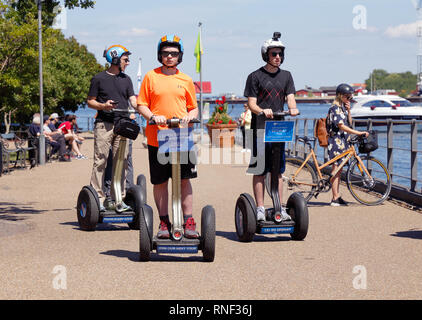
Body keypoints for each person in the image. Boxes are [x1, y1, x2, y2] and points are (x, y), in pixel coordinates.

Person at [136, 34, 199, 239]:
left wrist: (189, 117)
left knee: (184, 180)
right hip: (158, 137)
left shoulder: (186, 79)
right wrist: (153, 116)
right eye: (166, 53)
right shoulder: (150, 77)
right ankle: (164, 222)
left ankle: (188, 219)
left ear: (179, 56)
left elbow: (193, 109)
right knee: (161, 181)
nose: (170, 56)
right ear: (160, 55)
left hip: (182, 136)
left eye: (173, 53)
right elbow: (141, 104)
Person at [244, 32, 299, 222]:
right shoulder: (255, 76)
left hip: (278, 129)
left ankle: (279, 206)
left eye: (280, 54)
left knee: (278, 170)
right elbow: (251, 103)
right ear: (266, 55)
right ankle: (260, 207)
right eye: (274, 54)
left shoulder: (287, 76)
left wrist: (293, 109)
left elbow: (290, 97)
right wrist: (261, 110)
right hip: (259, 129)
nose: (278, 57)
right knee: (260, 169)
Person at [87, 44, 137, 212]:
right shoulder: (99, 78)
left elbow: (133, 99)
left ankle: (119, 199)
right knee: (100, 160)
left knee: (121, 162)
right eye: (125, 59)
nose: (128, 62)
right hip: (104, 124)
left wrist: (139, 109)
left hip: (123, 125)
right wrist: (103, 105)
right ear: (114, 59)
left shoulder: (127, 79)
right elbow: (90, 101)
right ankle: (98, 198)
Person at [327, 83, 369, 207]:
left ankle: (337, 196)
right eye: (347, 97)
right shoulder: (335, 108)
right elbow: (341, 126)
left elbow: (349, 123)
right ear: (340, 96)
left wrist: (349, 110)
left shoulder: (342, 108)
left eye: (350, 97)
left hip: (343, 141)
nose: (349, 99)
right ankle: (335, 198)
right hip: (335, 142)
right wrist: (359, 132)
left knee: (339, 170)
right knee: (336, 170)